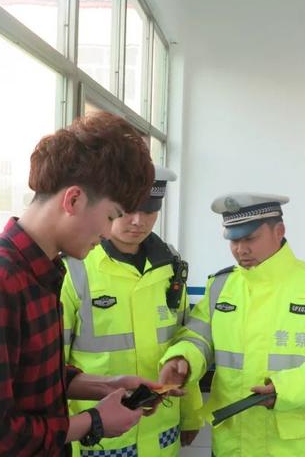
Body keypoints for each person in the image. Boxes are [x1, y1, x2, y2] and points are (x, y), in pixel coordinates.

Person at [0, 112, 164, 456]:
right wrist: (93, 422)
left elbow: (31, 376)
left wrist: (105, 385)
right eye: (110, 216)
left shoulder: (41, 273)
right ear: (73, 200)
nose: (108, 233)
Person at [158, 193, 305, 456]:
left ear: (279, 231)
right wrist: (182, 358)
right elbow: (198, 337)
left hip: (298, 446)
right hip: (233, 444)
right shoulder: (221, 286)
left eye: (250, 238)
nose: (240, 249)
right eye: (234, 240)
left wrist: (286, 389)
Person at [61, 164, 203, 456]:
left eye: (150, 211)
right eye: (129, 210)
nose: (139, 221)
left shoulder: (171, 264)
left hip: (163, 434)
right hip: (99, 437)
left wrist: (190, 414)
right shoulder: (75, 268)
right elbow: (54, 365)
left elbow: (182, 339)